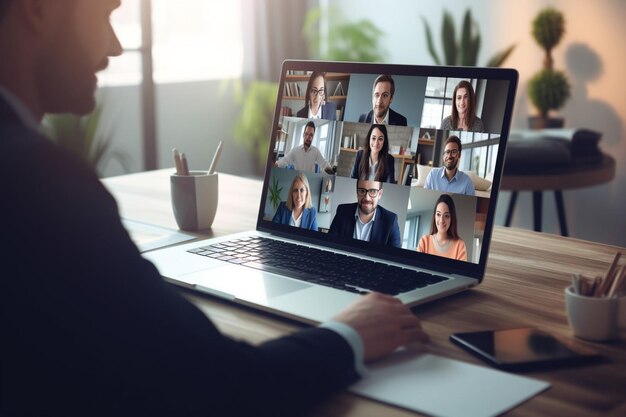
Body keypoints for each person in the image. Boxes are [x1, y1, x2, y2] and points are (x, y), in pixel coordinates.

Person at [0, 1, 429, 416]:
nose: (113, 46)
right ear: (37, 8)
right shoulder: (38, 180)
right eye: (106, 13)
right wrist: (349, 336)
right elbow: (227, 383)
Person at [329, 179, 401, 248]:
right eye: (362, 191)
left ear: (379, 194)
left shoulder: (391, 220)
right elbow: (330, 243)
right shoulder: (342, 211)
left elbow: (395, 256)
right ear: (357, 192)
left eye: (372, 191)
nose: (367, 198)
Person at [417, 194, 467, 261]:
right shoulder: (424, 241)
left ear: (452, 218)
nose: (441, 220)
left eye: (446, 216)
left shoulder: (460, 245)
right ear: (434, 216)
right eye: (438, 214)